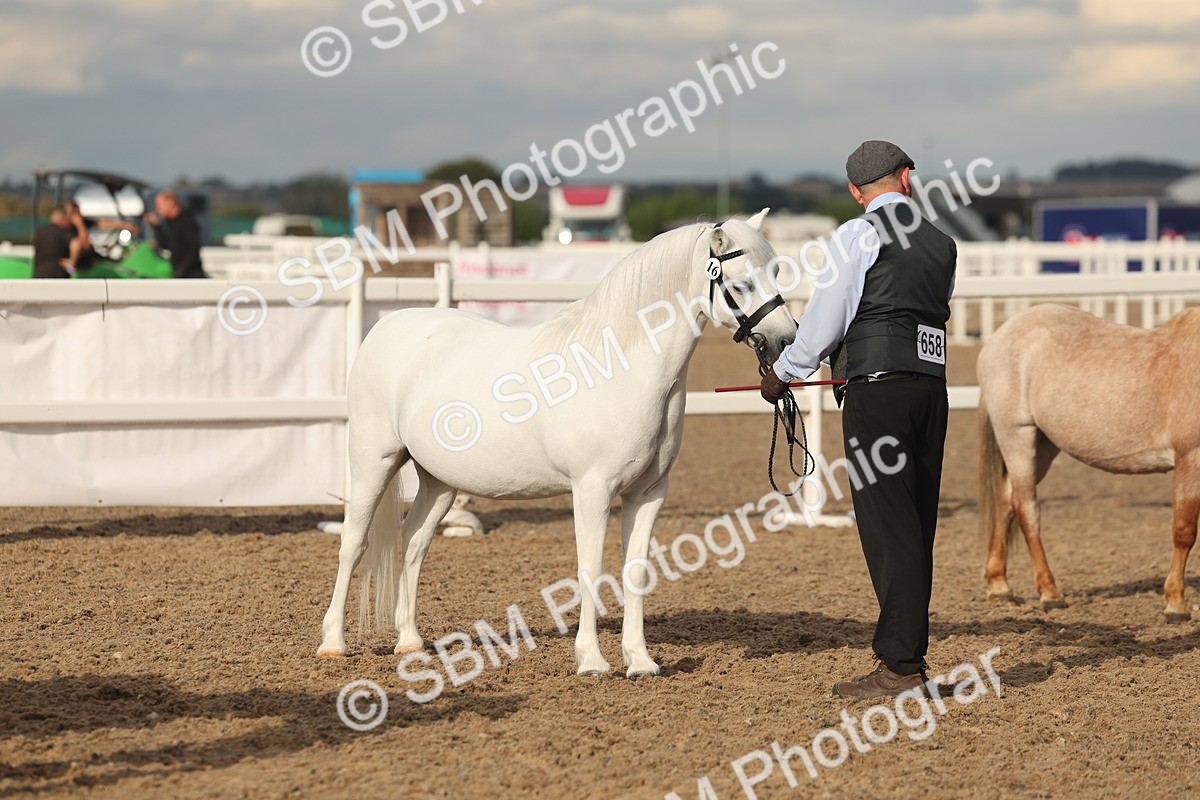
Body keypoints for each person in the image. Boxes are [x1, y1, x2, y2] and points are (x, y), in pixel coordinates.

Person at [761, 140, 957, 699]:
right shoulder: (943, 243)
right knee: (917, 524)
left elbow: (828, 317)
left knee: (887, 526)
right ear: (906, 178)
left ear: (855, 191)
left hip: (877, 394)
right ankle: (907, 660)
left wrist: (785, 371)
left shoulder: (857, 235)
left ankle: (898, 667)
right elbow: (934, 311)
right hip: (930, 391)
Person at [144, 189, 205, 278]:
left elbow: (193, 249)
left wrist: (182, 270)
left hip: (191, 275)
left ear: (170, 203)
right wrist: (157, 227)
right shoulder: (172, 223)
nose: (157, 209)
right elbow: (166, 245)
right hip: (182, 274)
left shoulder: (186, 221)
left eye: (159, 205)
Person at [33, 204, 88, 278]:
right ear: (64, 218)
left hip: (38, 277)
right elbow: (77, 244)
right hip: (57, 278)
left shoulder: (40, 232)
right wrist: (72, 263)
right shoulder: (62, 232)